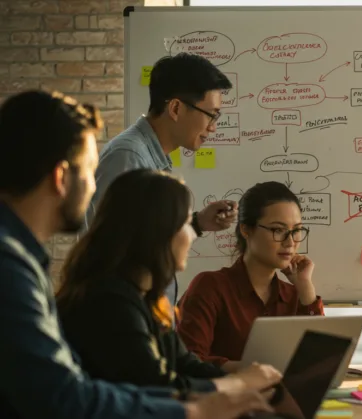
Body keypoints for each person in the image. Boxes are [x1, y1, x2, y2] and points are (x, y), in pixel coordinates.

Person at [0, 90, 274, 418]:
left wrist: (220, 391)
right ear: (60, 178)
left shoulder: (21, 261)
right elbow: (63, 397)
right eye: (89, 171)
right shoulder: (10, 268)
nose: (94, 187)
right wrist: (197, 409)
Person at [57, 169, 282, 395]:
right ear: (156, 232)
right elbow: (160, 387)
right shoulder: (110, 303)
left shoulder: (144, 297)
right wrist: (239, 384)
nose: (192, 235)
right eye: (187, 224)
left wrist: (250, 381)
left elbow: (185, 364)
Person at [88, 53, 237, 317]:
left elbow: (144, 236)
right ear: (176, 108)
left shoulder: (151, 156)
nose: (213, 128)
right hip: (127, 318)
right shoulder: (129, 157)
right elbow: (114, 251)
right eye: (210, 115)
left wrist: (197, 223)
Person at [178, 181, 324, 370]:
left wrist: (305, 287)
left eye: (296, 231)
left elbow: (322, 360)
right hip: (223, 389)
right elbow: (189, 362)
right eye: (278, 230)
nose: (290, 242)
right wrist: (254, 370)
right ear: (246, 229)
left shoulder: (295, 295)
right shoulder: (210, 286)